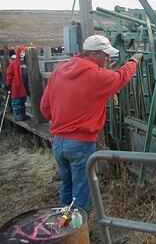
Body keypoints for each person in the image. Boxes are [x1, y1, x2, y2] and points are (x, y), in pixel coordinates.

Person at [40, 35, 142, 212]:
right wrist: (134, 61)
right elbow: (121, 77)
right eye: (106, 55)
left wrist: (61, 121)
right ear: (95, 54)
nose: (109, 59)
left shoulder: (60, 70)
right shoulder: (96, 76)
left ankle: (64, 226)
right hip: (80, 143)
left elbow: (45, 108)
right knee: (81, 190)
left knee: (67, 185)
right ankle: (80, 231)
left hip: (58, 141)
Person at [6, 46, 28, 121]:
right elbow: (9, 74)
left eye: (24, 52)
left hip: (24, 86)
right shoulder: (14, 63)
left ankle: (23, 115)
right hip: (16, 86)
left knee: (23, 101)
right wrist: (8, 84)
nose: (22, 54)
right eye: (21, 52)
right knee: (16, 102)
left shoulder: (26, 62)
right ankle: (17, 116)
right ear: (18, 53)